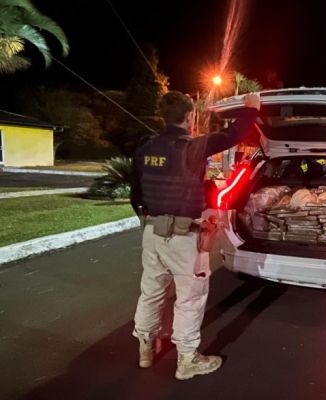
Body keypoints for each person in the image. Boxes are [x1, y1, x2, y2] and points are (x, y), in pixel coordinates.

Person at [129, 90, 260, 380]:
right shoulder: (192, 147)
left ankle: (146, 350)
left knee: (151, 292)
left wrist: (149, 220)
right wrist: (251, 109)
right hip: (183, 238)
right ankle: (187, 360)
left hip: (152, 236)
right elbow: (233, 135)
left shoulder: (144, 147)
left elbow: (135, 194)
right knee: (190, 297)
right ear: (190, 117)